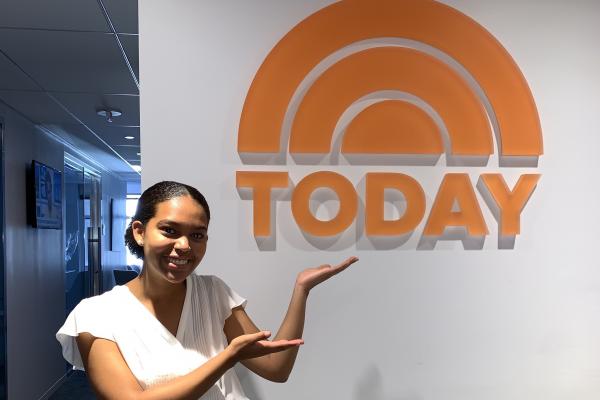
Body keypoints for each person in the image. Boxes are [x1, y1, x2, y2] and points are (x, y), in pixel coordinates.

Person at [56, 180, 358, 399]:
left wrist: (301, 291)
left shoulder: (213, 292)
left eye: (197, 235)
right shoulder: (96, 315)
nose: (185, 246)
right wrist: (227, 358)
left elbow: (276, 369)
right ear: (139, 232)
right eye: (170, 231)